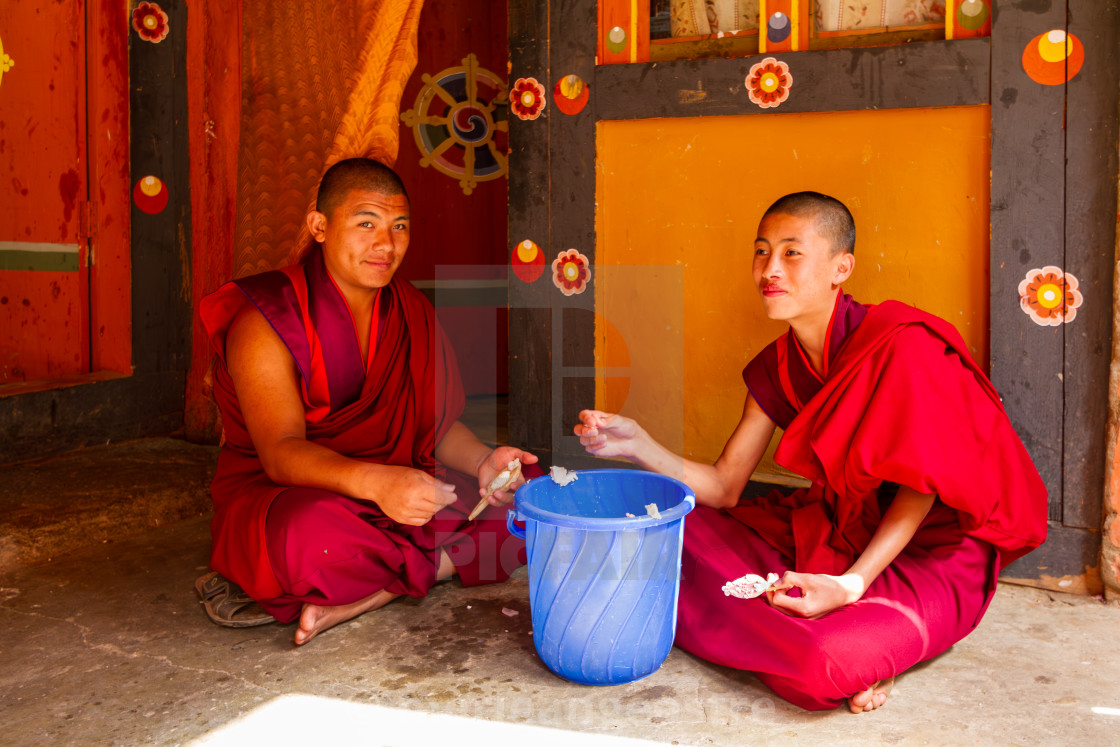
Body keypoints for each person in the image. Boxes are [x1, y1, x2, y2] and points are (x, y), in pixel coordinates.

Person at [575, 192, 1047, 713]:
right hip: (837, 531)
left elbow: (921, 488)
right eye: (761, 251)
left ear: (841, 267)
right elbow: (726, 487)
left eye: (791, 253)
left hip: (928, 552)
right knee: (669, 534)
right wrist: (638, 445)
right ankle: (828, 636)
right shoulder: (779, 367)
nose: (769, 269)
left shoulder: (903, 345)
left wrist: (850, 584)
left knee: (825, 662)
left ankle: (841, 641)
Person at [199, 157, 536, 645]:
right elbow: (280, 452)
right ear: (319, 226)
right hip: (299, 495)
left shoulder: (410, 309)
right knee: (307, 542)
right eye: (366, 224)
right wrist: (377, 483)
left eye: (399, 226)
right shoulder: (267, 322)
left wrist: (485, 461)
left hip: (398, 489)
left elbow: (435, 427)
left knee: (528, 500)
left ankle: (375, 592)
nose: (386, 244)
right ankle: (426, 568)